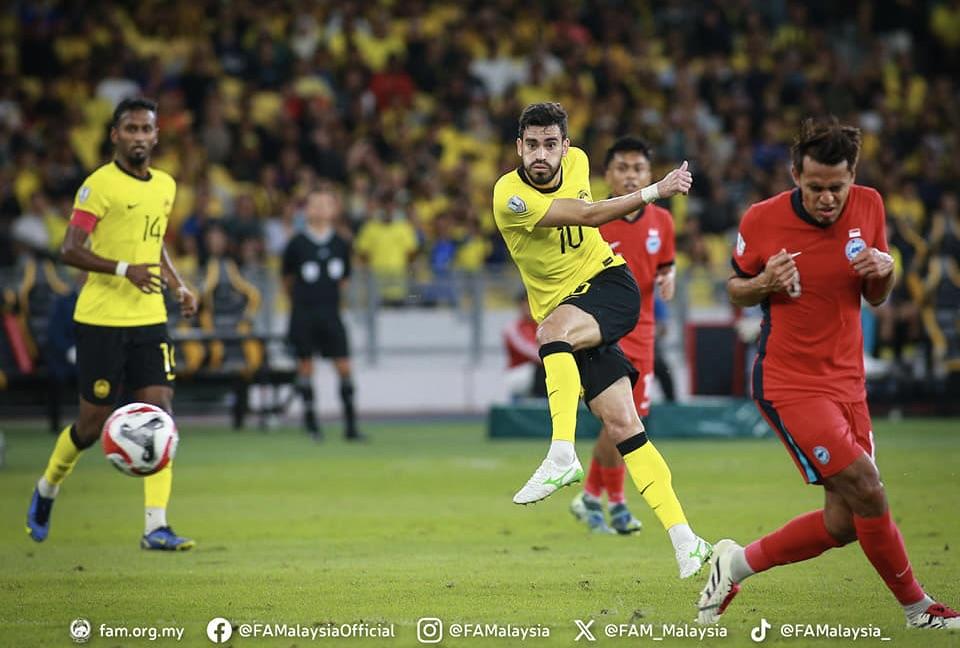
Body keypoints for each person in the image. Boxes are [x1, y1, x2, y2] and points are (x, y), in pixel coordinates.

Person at [696, 117, 959, 629]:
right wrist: (765, 281)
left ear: (852, 177)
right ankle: (918, 608)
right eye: (814, 187)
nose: (826, 198)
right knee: (869, 488)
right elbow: (735, 287)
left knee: (844, 523)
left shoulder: (871, 205)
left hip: (848, 381)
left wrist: (885, 274)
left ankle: (734, 564)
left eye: (836, 187)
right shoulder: (761, 219)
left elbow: (875, 294)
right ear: (796, 175)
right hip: (789, 382)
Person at [493, 102, 712, 578]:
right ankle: (686, 540)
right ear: (519, 147)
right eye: (532, 145)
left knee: (549, 333)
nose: (541, 155)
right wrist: (657, 189)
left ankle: (561, 453)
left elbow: (592, 217)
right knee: (624, 425)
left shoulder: (581, 162)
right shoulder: (508, 195)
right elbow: (588, 214)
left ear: (565, 147)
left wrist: (654, 193)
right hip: (572, 309)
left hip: (610, 285)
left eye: (551, 144)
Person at [25, 97, 198, 550]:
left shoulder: (165, 184)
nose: (140, 136)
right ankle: (47, 488)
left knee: (161, 414)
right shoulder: (98, 186)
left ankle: (155, 527)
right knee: (90, 423)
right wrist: (125, 270)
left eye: (147, 129)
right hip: (101, 319)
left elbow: (154, 244)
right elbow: (69, 249)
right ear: (115, 135)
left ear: (157, 136)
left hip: (149, 318)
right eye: (131, 129)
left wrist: (178, 285)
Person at [569, 137, 704, 565]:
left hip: (643, 331)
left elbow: (665, 264)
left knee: (623, 420)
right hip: (604, 331)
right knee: (621, 419)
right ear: (607, 175)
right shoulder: (593, 219)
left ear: (649, 176)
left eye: (638, 169)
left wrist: (670, 277)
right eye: (622, 168)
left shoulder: (662, 221)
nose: (630, 175)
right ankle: (609, 498)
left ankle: (597, 496)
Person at [282, 187, 363, 441]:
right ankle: (311, 425)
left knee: (344, 366)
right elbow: (287, 280)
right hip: (304, 314)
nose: (319, 209)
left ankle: (350, 427)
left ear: (334, 210)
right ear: (306, 210)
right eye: (314, 204)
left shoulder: (341, 243)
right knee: (306, 367)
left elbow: (345, 279)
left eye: (325, 204)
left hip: (331, 314)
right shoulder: (296, 244)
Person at [503, 290, 547, 400]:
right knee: (544, 366)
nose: (528, 306)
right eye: (525, 303)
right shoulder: (513, 327)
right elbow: (533, 352)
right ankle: (543, 402)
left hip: (539, 369)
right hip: (519, 373)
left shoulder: (543, 324)